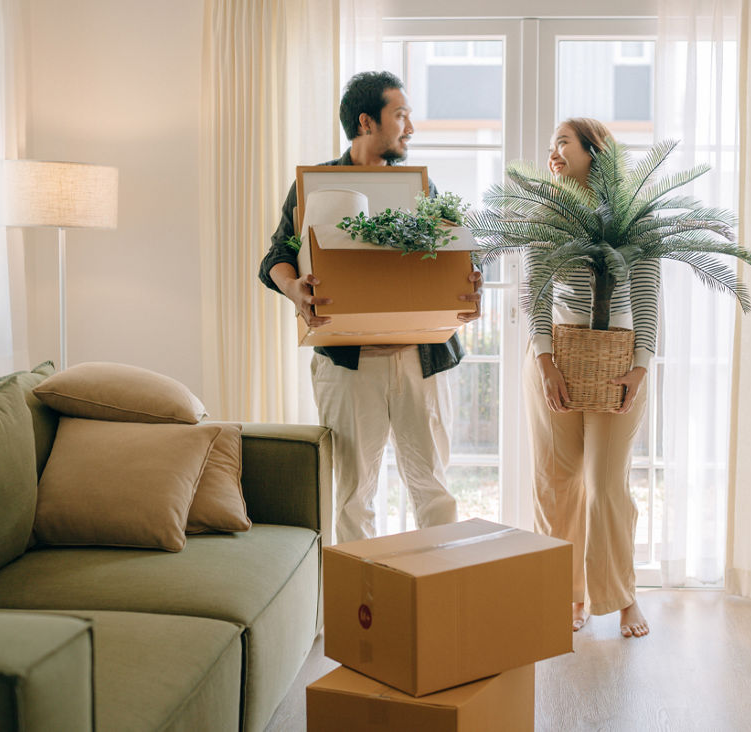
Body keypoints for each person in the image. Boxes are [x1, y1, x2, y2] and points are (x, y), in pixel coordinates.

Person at [258, 70, 482, 544]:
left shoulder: (423, 190)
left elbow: (455, 256)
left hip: (419, 360)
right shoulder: (314, 186)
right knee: (352, 497)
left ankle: (439, 605)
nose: (410, 128)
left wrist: (467, 282)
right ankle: (364, 613)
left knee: (434, 489)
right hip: (348, 364)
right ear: (366, 122)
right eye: (400, 115)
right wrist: (295, 288)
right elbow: (276, 257)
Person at [524, 118, 659, 638]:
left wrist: (640, 366)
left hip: (618, 362)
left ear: (592, 150)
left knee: (606, 485)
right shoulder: (546, 214)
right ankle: (567, 596)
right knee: (557, 485)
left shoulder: (629, 216)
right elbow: (534, 292)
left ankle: (623, 598)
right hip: (555, 358)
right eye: (550, 142)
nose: (553, 151)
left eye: (562, 141)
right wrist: (544, 362)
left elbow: (647, 295)